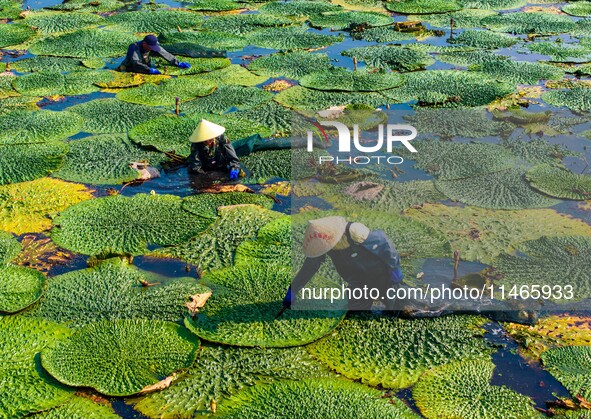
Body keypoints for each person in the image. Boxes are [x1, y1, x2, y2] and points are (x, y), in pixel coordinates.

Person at [283, 216, 404, 311]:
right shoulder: (321, 244)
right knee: (357, 310)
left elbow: (384, 244)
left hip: (380, 274)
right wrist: (294, 289)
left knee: (397, 307)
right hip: (357, 280)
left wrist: (394, 267)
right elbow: (310, 267)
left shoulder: (354, 231)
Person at [118, 34, 191, 75]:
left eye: (154, 47)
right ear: (144, 43)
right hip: (130, 68)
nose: (152, 49)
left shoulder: (151, 45)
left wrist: (177, 63)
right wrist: (150, 69)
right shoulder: (134, 47)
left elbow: (164, 53)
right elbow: (135, 63)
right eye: (151, 47)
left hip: (145, 66)